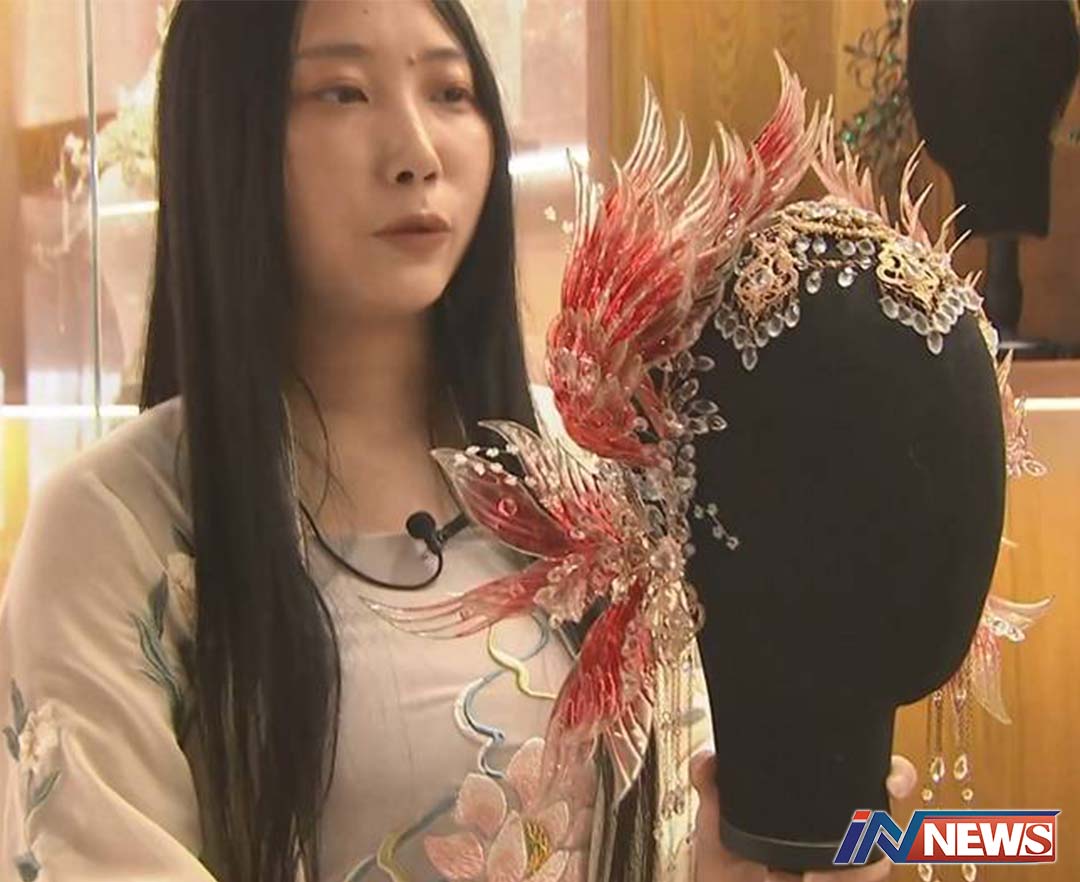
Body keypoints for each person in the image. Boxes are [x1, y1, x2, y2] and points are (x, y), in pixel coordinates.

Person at [0, 2, 912, 881]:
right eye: (341, 93)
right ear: (225, 131)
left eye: (449, 91)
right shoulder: (118, 526)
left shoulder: (598, 481)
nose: (417, 153)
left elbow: (673, 827)